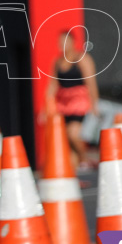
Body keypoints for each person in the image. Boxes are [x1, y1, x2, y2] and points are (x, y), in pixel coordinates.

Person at [45, 28, 99, 170]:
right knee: (67, 140)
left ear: (72, 42)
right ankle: (76, 171)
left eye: (65, 41)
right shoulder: (57, 62)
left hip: (80, 103)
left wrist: (95, 104)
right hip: (63, 105)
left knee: (74, 134)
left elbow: (91, 83)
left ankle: (85, 158)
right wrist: (46, 107)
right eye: (60, 41)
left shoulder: (82, 59)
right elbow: (53, 85)